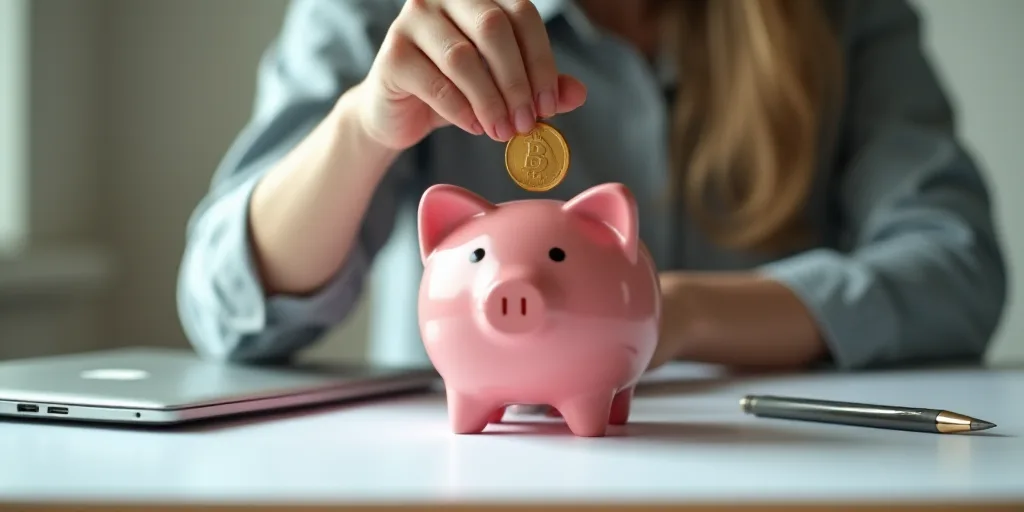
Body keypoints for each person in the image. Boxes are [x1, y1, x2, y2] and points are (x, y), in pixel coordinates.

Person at [176, 0, 1007, 373]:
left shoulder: (841, 14)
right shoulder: (390, 11)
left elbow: (957, 266)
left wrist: (675, 312)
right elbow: (225, 305)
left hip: (765, 471)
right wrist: (362, 129)